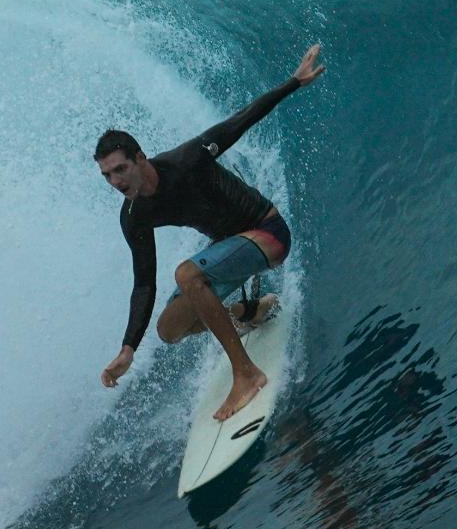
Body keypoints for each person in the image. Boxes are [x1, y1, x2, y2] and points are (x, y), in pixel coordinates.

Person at [96, 44, 326, 420]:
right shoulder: (134, 214)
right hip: (230, 248)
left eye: (120, 169)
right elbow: (143, 283)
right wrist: (128, 348)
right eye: (107, 175)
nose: (115, 181)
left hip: (267, 233)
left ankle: (247, 374)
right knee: (170, 328)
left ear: (140, 158)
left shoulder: (186, 161)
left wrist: (293, 83)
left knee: (188, 274)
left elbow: (240, 121)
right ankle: (249, 312)